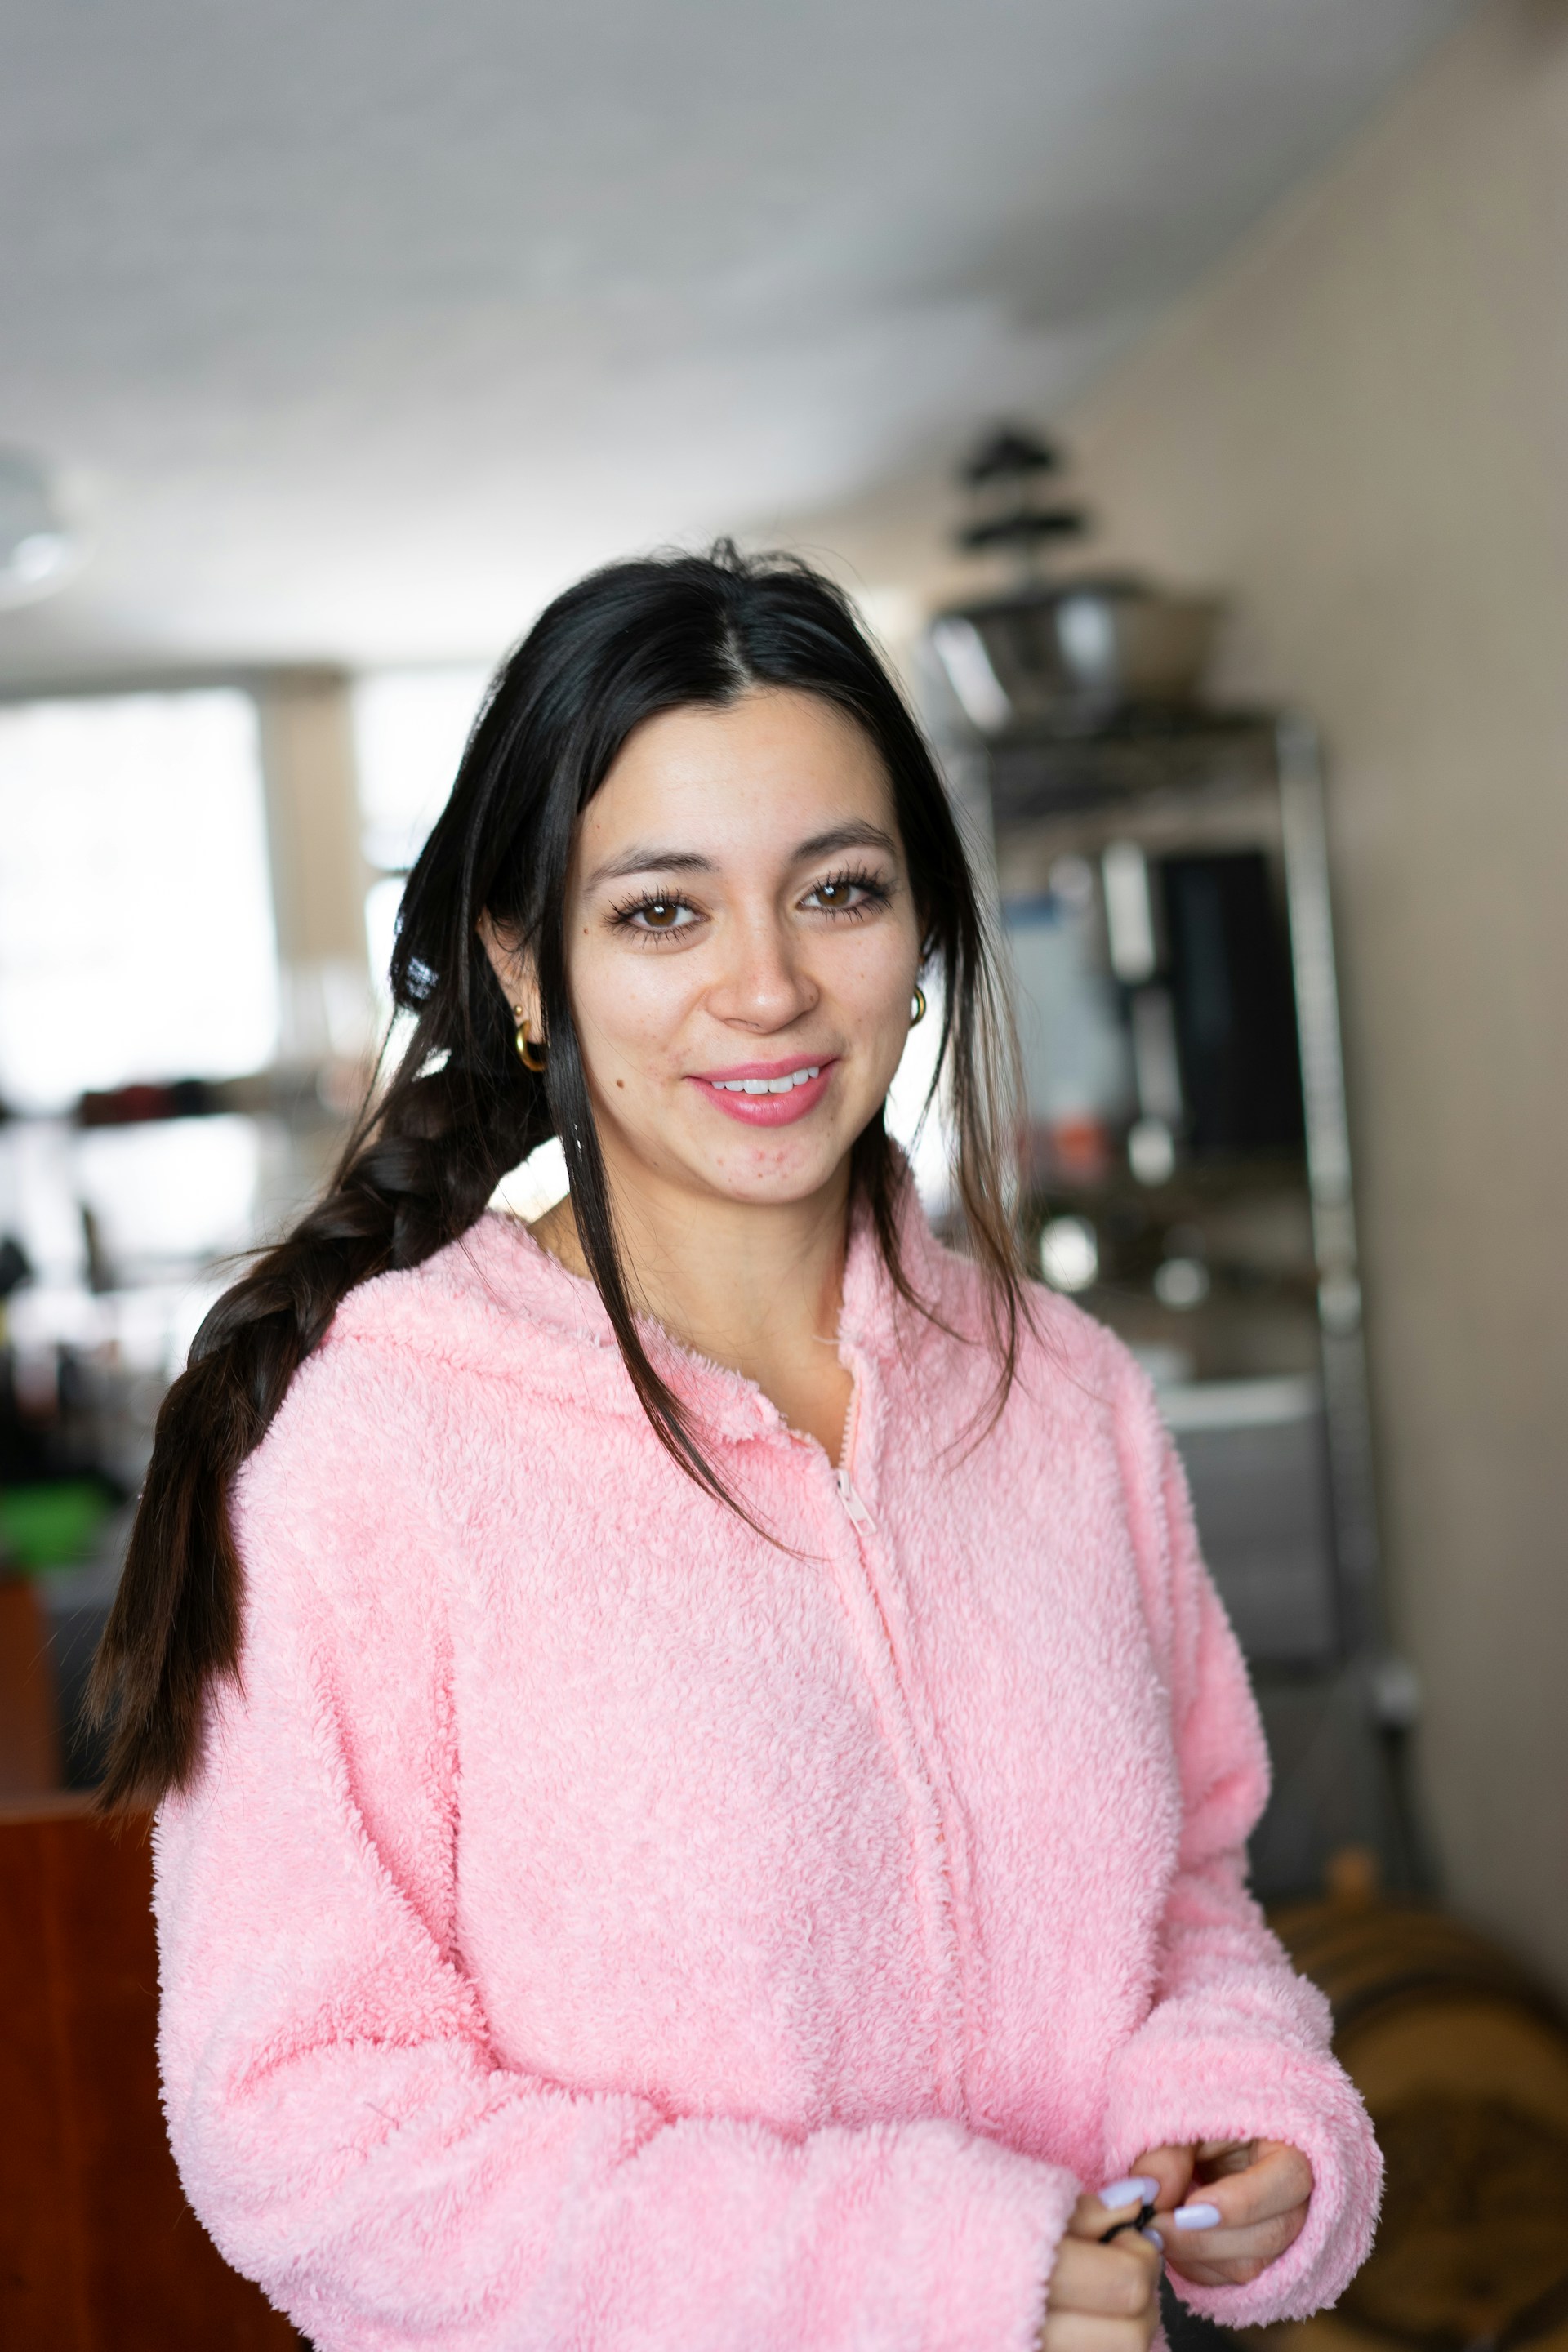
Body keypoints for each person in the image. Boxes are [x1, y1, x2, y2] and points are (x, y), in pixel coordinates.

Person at [93, 545, 1380, 2352]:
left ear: (922, 930)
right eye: (661, 912)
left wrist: (1241, 2100)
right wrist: (930, 2280)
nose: (768, 988)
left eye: (836, 891)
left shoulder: (1070, 1399)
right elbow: (316, 2131)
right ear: (523, 967)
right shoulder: (380, 1456)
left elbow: (1189, 1885)